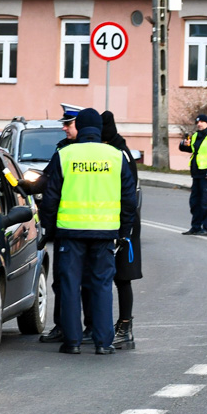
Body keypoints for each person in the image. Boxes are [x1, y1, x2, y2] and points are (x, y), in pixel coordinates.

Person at [39, 108, 137, 355]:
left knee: (70, 285)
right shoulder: (116, 156)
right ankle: (103, 343)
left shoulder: (65, 154)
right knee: (102, 285)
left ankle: (72, 342)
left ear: (80, 128)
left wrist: (49, 229)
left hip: (70, 233)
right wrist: (124, 232)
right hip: (105, 233)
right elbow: (129, 198)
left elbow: (50, 197)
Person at [19, 104, 82, 344]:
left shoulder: (75, 152)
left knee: (75, 282)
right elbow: (47, 179)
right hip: (74, 227)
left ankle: (75, 331)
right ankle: (66, 327)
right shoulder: (64, 149)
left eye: (69, 124)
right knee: (64, 281)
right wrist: (28, 187)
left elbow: (50, 185)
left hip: (71, 227)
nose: (64, 128)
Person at [100, 110, 142, 349]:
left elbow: (127, 192)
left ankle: (125, 327)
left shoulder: (119, 153)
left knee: (122, 277)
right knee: (113, 277)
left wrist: (124, 231)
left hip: (124, 223)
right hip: (115, 221)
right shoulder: (116, 149)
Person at [178, 113, 207, 235]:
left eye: (201, 122)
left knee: (206, 202)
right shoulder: (196, 136)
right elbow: (190, 148)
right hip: (196, 173)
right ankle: (195, 227)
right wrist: (183, 144)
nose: (199, 124)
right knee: (195, 202)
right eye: (197, 122)